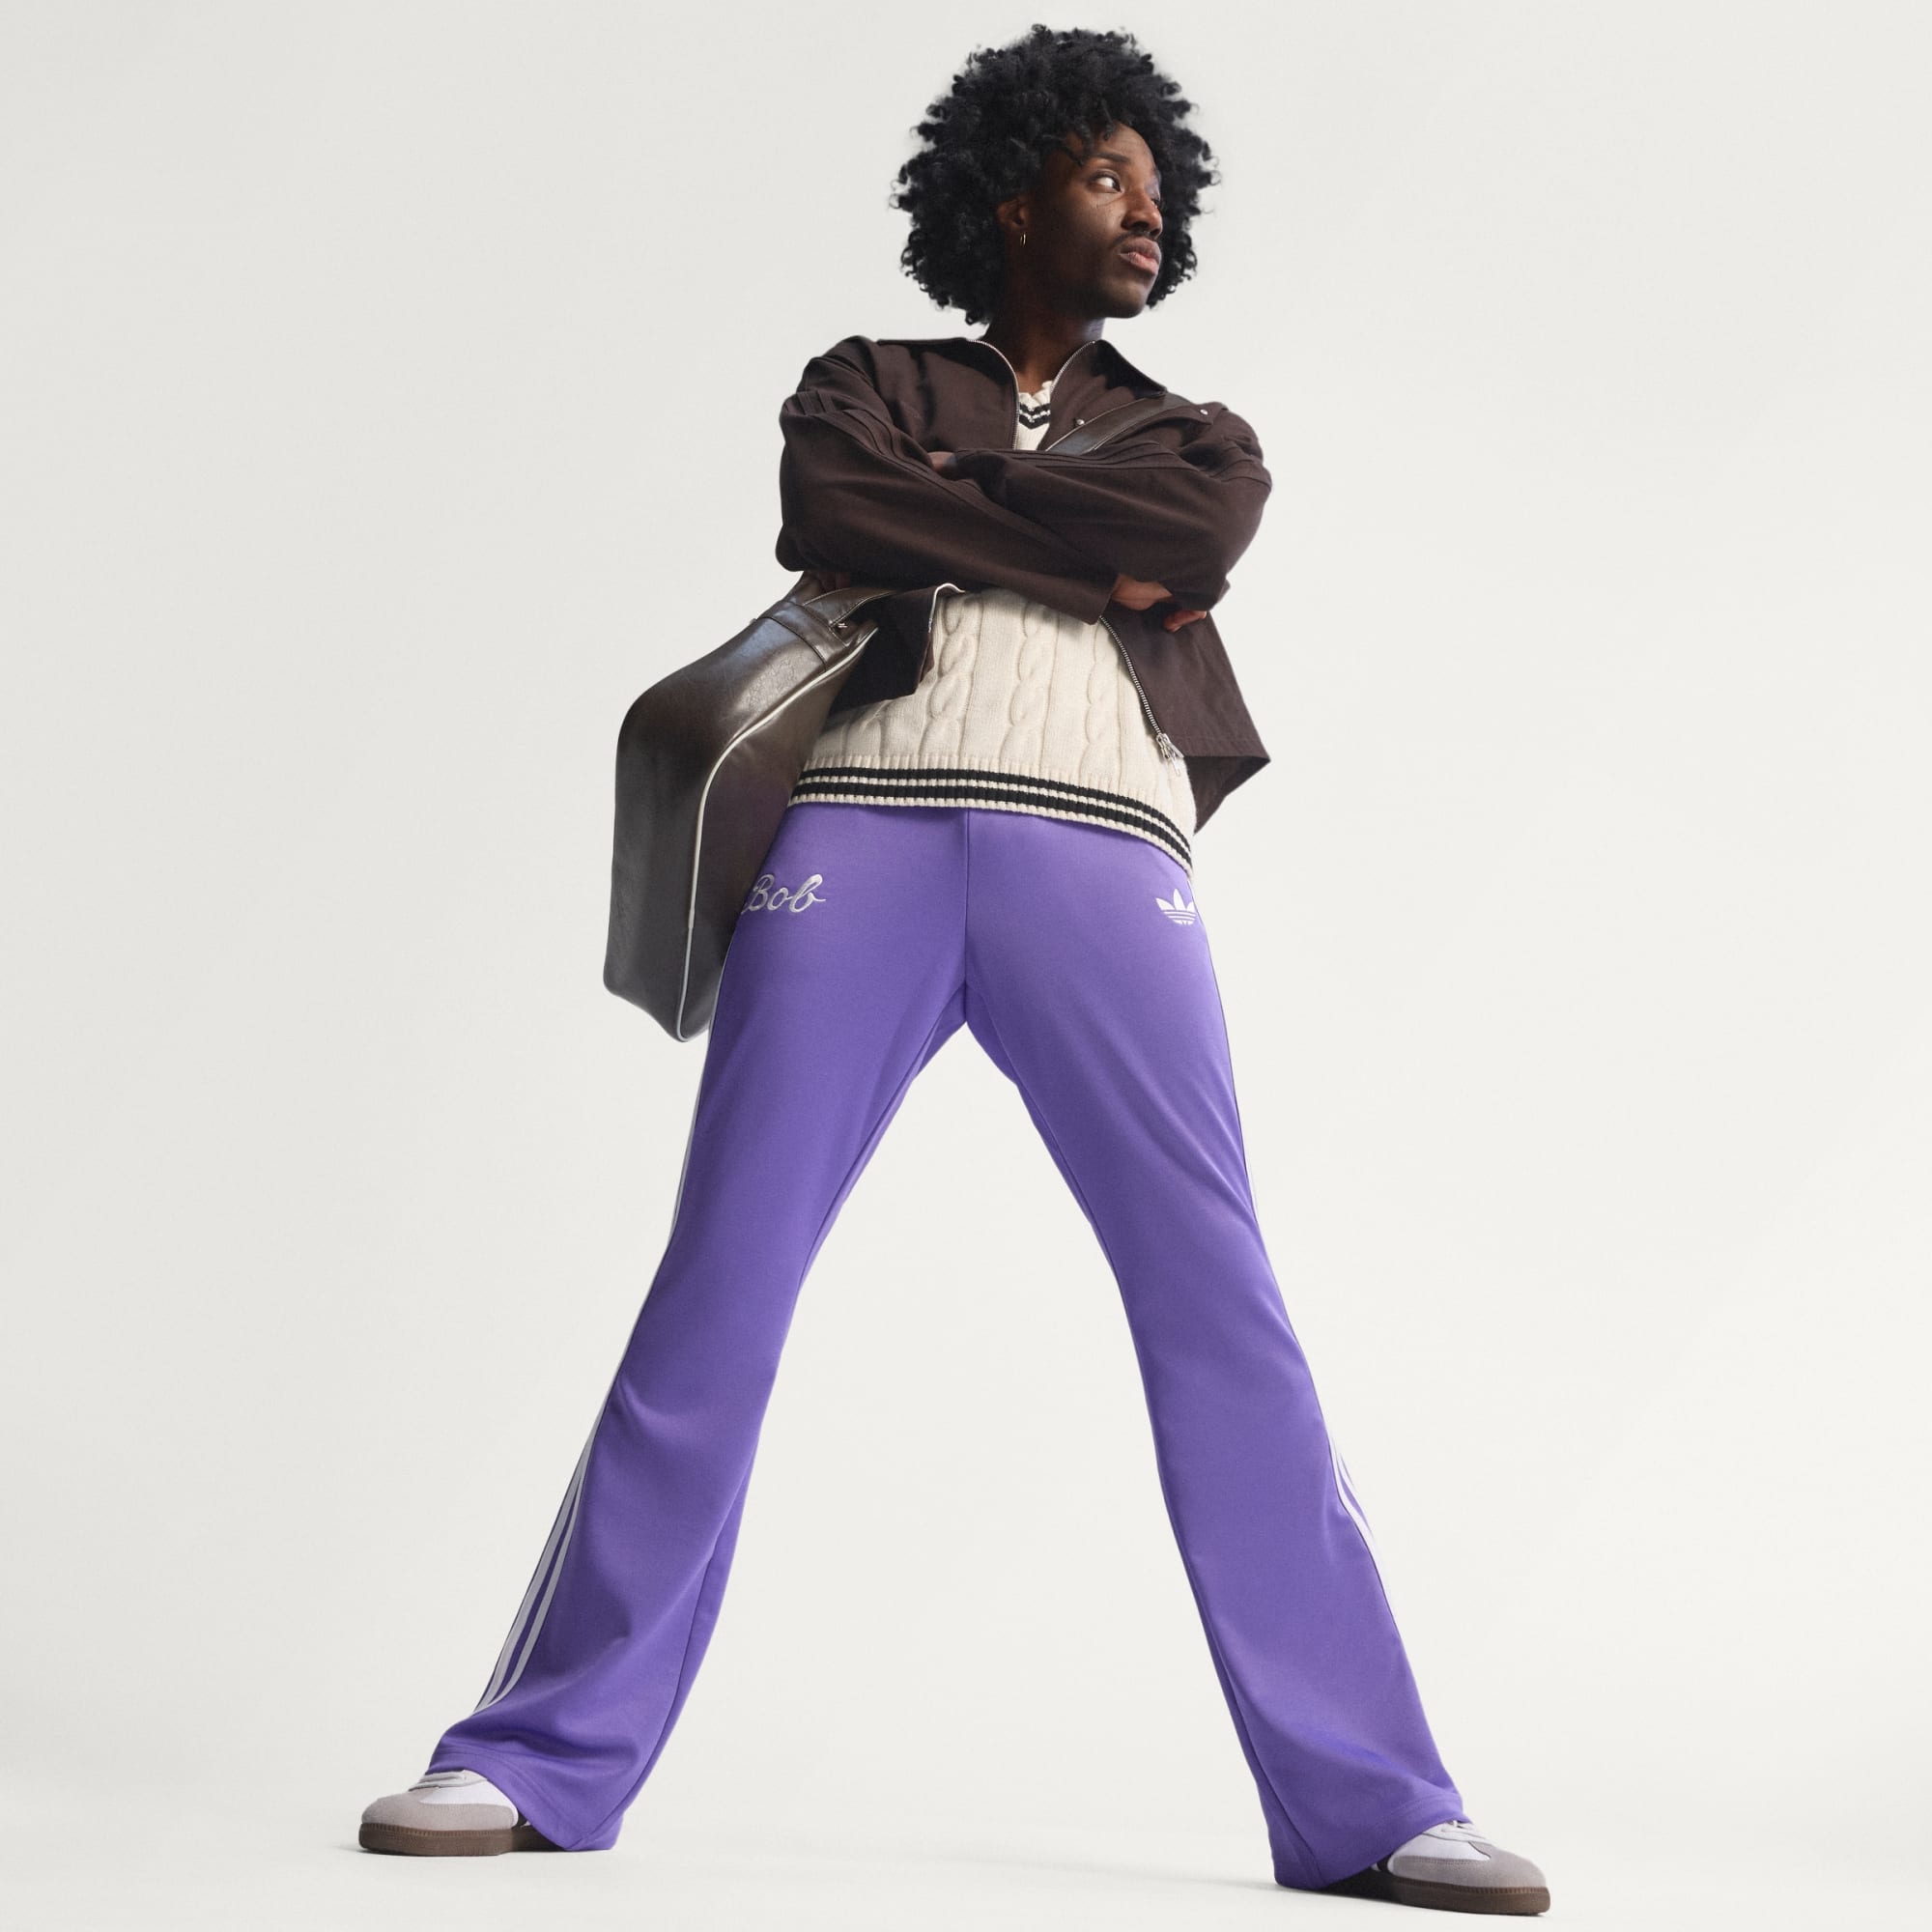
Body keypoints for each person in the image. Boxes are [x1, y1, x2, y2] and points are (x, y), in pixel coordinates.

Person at [358, 25, 1551, 1917]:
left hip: (1106, 859)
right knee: (721, 1286)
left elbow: (1187, 537)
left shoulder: (1196, 437)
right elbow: (840, 512)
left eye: (1159, 190)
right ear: (1011, 198)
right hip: (858, 846)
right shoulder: (868, 382)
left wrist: (977, 511)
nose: (1145, 214)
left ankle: (1375, 1801)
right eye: (1107, 179)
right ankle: (532, 1756)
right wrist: (1074, 554)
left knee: (1221, 1309)